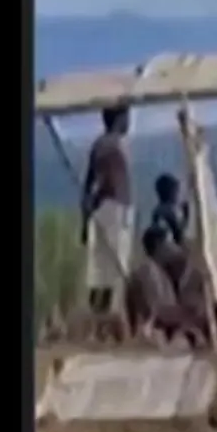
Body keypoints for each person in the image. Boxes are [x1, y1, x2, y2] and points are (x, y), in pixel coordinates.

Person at [81, 105, 134, 315]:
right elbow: (99, 180)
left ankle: (100, 314)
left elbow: (88, 184)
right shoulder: (111, 145)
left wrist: (86, 217)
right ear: (119, 118)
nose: (129, 122)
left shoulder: (102, 144)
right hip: (112, 209)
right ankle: (102, 314)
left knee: (103, 270)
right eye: (126, 117)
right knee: (110, 269)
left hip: (108, 208)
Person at [124, 225, 190, 342]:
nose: (174, 247)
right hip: (156, 336)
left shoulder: (157, 270)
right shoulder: (149, 272)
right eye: (170, 242)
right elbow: (158, 312)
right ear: (159, 245)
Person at [149, 173, 190, 247]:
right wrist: (186, 216)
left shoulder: (158, 210)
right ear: (171, 192)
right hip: (166, 250)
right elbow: (177, 236)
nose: (177, 195)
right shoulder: (168, 211)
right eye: (176, 191)